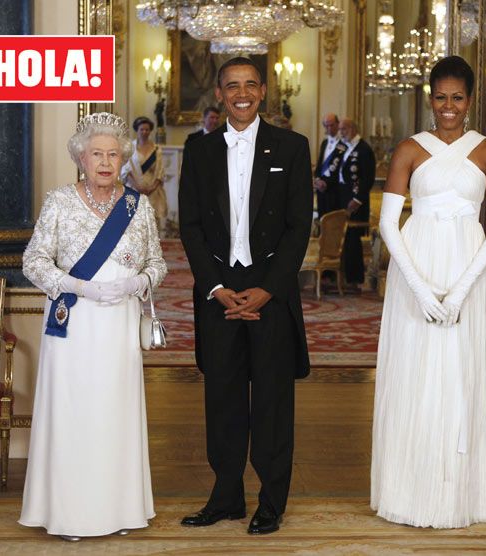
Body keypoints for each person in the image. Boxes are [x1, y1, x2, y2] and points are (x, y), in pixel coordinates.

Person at [370, 55, 486, 528]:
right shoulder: (409, 148)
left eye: (458, 98)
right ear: (430, 98)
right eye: (440, 97)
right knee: (415, 375)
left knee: (459, 377)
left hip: (467, 271)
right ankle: (408, 492)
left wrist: (459, 292)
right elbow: (389, 224)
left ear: (470, 101)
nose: (448, 107)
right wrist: (422, 291)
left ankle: (458, 496)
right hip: (417, 268)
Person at [178, 57, 312, 535]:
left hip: (270, 293)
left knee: (273, 402)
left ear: (263, 91)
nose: (241, 93)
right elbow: (189, 226)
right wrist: (215, 288)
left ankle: (271, 502)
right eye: (232, 85)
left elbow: (299, 228)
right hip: (217, 292)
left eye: (250, 85)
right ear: (219, 93)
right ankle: (226, 496)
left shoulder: (292, 147)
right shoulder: (198, 150)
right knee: (223, 400)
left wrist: (267, 289)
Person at [19, 112, 167, 541]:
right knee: (75, 414)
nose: (105, 161)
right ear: (81, 158)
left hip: (119, 325)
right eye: (96, 154)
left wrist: (139, 281)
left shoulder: (136, 208)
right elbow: (33, 262)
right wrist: (78, 286)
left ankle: (120, 510)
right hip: (75, 324)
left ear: (123, 158)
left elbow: (157, 263)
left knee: (113, 414)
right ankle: (71, 514)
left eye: (113, 154)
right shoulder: (60, 202)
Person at [337, 118, 375, 288]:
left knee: (353, 241)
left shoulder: (364, 149)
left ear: (352, 128)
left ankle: (355, 279)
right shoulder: (345, 147)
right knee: (345, 240)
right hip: (344, 198)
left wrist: (357, 200)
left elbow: (368, 178)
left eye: (343, 129)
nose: (341, 132)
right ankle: (346, 277)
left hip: (356, 202)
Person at [122, 116, 168, 233]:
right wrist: (138, 187)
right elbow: (126, 170)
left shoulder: (156, 149)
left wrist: (151, 188)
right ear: (136, 130)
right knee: (134, 224)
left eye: (147, 129)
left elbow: (160, 171)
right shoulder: (129, 149)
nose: (144, 132)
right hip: (134, 189)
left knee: (152, 224)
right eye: (141, 129)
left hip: (153, 191)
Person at [313, 113, 347, 217]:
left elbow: (342, 169)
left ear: (338, 124)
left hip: (335, 190)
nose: (329, 128)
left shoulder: (344, 144)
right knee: (322, 218)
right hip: (321, 191)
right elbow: (320, 164)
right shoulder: (324, 143)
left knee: (333, 221)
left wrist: (327, 183)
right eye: (326, 125)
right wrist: (317, 180)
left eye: (331, 125)